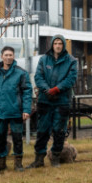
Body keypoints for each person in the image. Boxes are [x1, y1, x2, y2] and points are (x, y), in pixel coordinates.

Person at [29, 35, 77, 168]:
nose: (57, 45)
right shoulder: (44, 60)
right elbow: (38, 77)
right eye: (55, 43)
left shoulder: (71, 61)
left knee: (59, 130)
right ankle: (39, 159)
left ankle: (55, 156)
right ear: (52, 45)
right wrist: (47, 90)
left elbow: (71, 79)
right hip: (45, 101)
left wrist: (57, 89)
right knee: (42, 130)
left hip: (62, 101)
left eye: (60, 43)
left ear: (63, 45)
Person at [0, 46, 32, 173]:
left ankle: (18, 164)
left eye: (11, 55)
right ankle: (1, 164)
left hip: (15, 111)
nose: (8, 57)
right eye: (6, 55)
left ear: (14, 56)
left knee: (17, 138)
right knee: (0, 139)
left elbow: (27, 92)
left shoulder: (21, 73)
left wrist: (26, 110)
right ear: (1, 56)